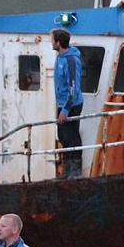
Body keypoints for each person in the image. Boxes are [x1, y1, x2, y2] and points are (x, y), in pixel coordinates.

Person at [51, 28, 83, 179]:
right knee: (63, 136)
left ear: (58, 42)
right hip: (62, 103)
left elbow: (73, 87)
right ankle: (66, 170)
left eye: (53, 40)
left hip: (72, 104)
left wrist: (65, 110)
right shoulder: (60, 57)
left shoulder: (70, 60)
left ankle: (75, 171)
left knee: (72, 137)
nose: (51, 43)